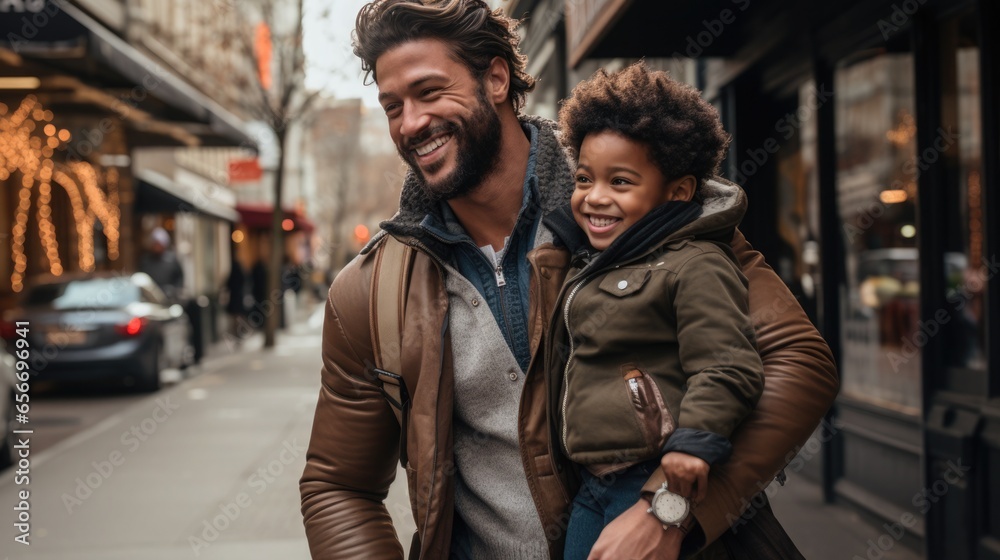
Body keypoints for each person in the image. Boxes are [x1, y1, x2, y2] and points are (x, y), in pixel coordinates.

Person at [299, 1, 838, 559]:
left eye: (430, 92)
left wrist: (670, 510)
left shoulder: (630, 196)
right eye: (393, 106)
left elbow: (797, 361)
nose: (410, 124)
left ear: (497, 79)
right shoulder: (369, 291)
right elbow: (339, 486)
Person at [549, 62, 801, 559]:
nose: (594, 196)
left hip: (648, 477)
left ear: (678, 192)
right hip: (592, 486)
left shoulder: (695, 263)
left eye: (620, 182)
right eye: (584, 178)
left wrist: (692, 444)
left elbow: (727, 362)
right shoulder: (593, 263)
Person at [139, 227, 184, 303]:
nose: (157, 247)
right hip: (151, 299)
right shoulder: (146, 261)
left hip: (168, 299)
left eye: (159, 244)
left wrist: (174, 290)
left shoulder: (172, 260)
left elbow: (179, 278)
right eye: (155, 244)